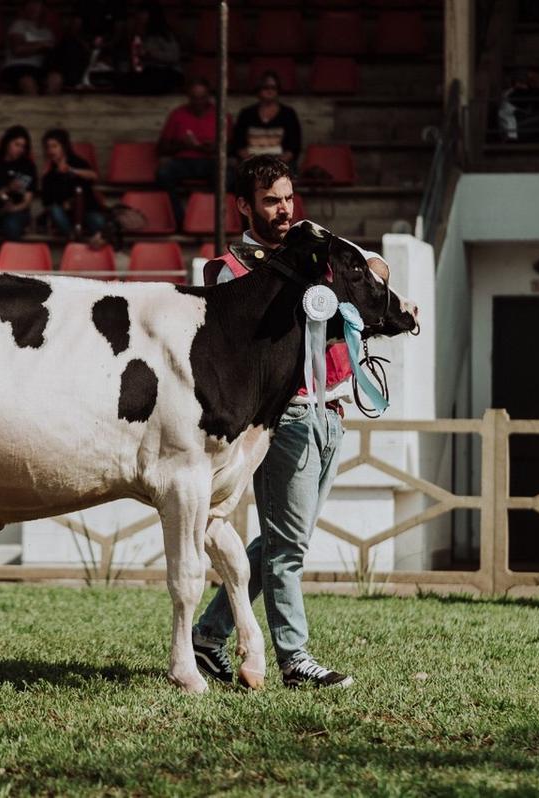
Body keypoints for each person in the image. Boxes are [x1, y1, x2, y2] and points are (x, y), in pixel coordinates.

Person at [192, 154, 406, 690]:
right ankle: (294, 659)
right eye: (271, 201)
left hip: (332, 408)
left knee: (284, 539)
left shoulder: (315, 249)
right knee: (288, 546)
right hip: (282, 413)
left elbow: (374, 266)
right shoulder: (230, 270)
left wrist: (364, 274)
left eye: (288, 198)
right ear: (244, 207)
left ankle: (208, 635)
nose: (284, 209)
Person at [156, 77, 230, 229]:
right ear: (188, 97)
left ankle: (210, 219)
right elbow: (161, 148)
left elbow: (231, 147)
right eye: (194, 98)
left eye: (202, 97)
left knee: (228, 177)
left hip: (211, 161)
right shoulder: (177, 114)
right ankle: (179, 220)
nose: (198, 102)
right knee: (163, 174)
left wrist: (213, 147)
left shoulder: (221, 115)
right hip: (183, 161)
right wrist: (182, 144)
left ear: (209, 97)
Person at [40, 128, 107, 244]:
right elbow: (47, 202)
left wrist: (71, 170)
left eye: (54, 146)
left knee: (99, 221)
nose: (51, 151)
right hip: (66, 214)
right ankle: (74, 238)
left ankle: (93, 238)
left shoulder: (78, 162)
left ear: (64, 147)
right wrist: (63, 204)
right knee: (55, 211)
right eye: (48, 147)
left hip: (86, 209)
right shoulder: (49, 175)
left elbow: (93, 176)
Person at [231, 70, 302, 166]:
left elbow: (293, 147)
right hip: (251, 164)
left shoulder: (288, 114)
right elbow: (238, 145)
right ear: (258, 90)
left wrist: (275, 164)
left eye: (273, 88)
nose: (270, 91)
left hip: (280, 164)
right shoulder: (246, 114)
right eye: (265, 87)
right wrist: (256, 163)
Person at [115, 1, 182, 95]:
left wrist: (151, 54)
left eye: (143, 13)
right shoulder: (142, 34)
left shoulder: (164, 34)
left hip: (166, 72)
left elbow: (174, 56)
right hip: (149, 70)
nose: (140, 16)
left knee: (150, 80)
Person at [1, 0, 62, 96]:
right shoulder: (19, 25)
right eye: (30, 4)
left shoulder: (48, 32)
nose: (33, 7)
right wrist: (41, 45)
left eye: (37, 4)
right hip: (17, 67)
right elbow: (17, 49)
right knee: (28, 82)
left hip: (39, 68)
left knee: (56, 79)